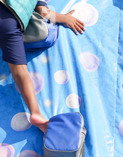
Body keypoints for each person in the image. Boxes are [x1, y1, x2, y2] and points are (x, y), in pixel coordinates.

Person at [0, 0, 85, 133]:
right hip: (10, 21)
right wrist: (65, 18)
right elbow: (44, 13)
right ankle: (35, 113)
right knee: (20, 71)